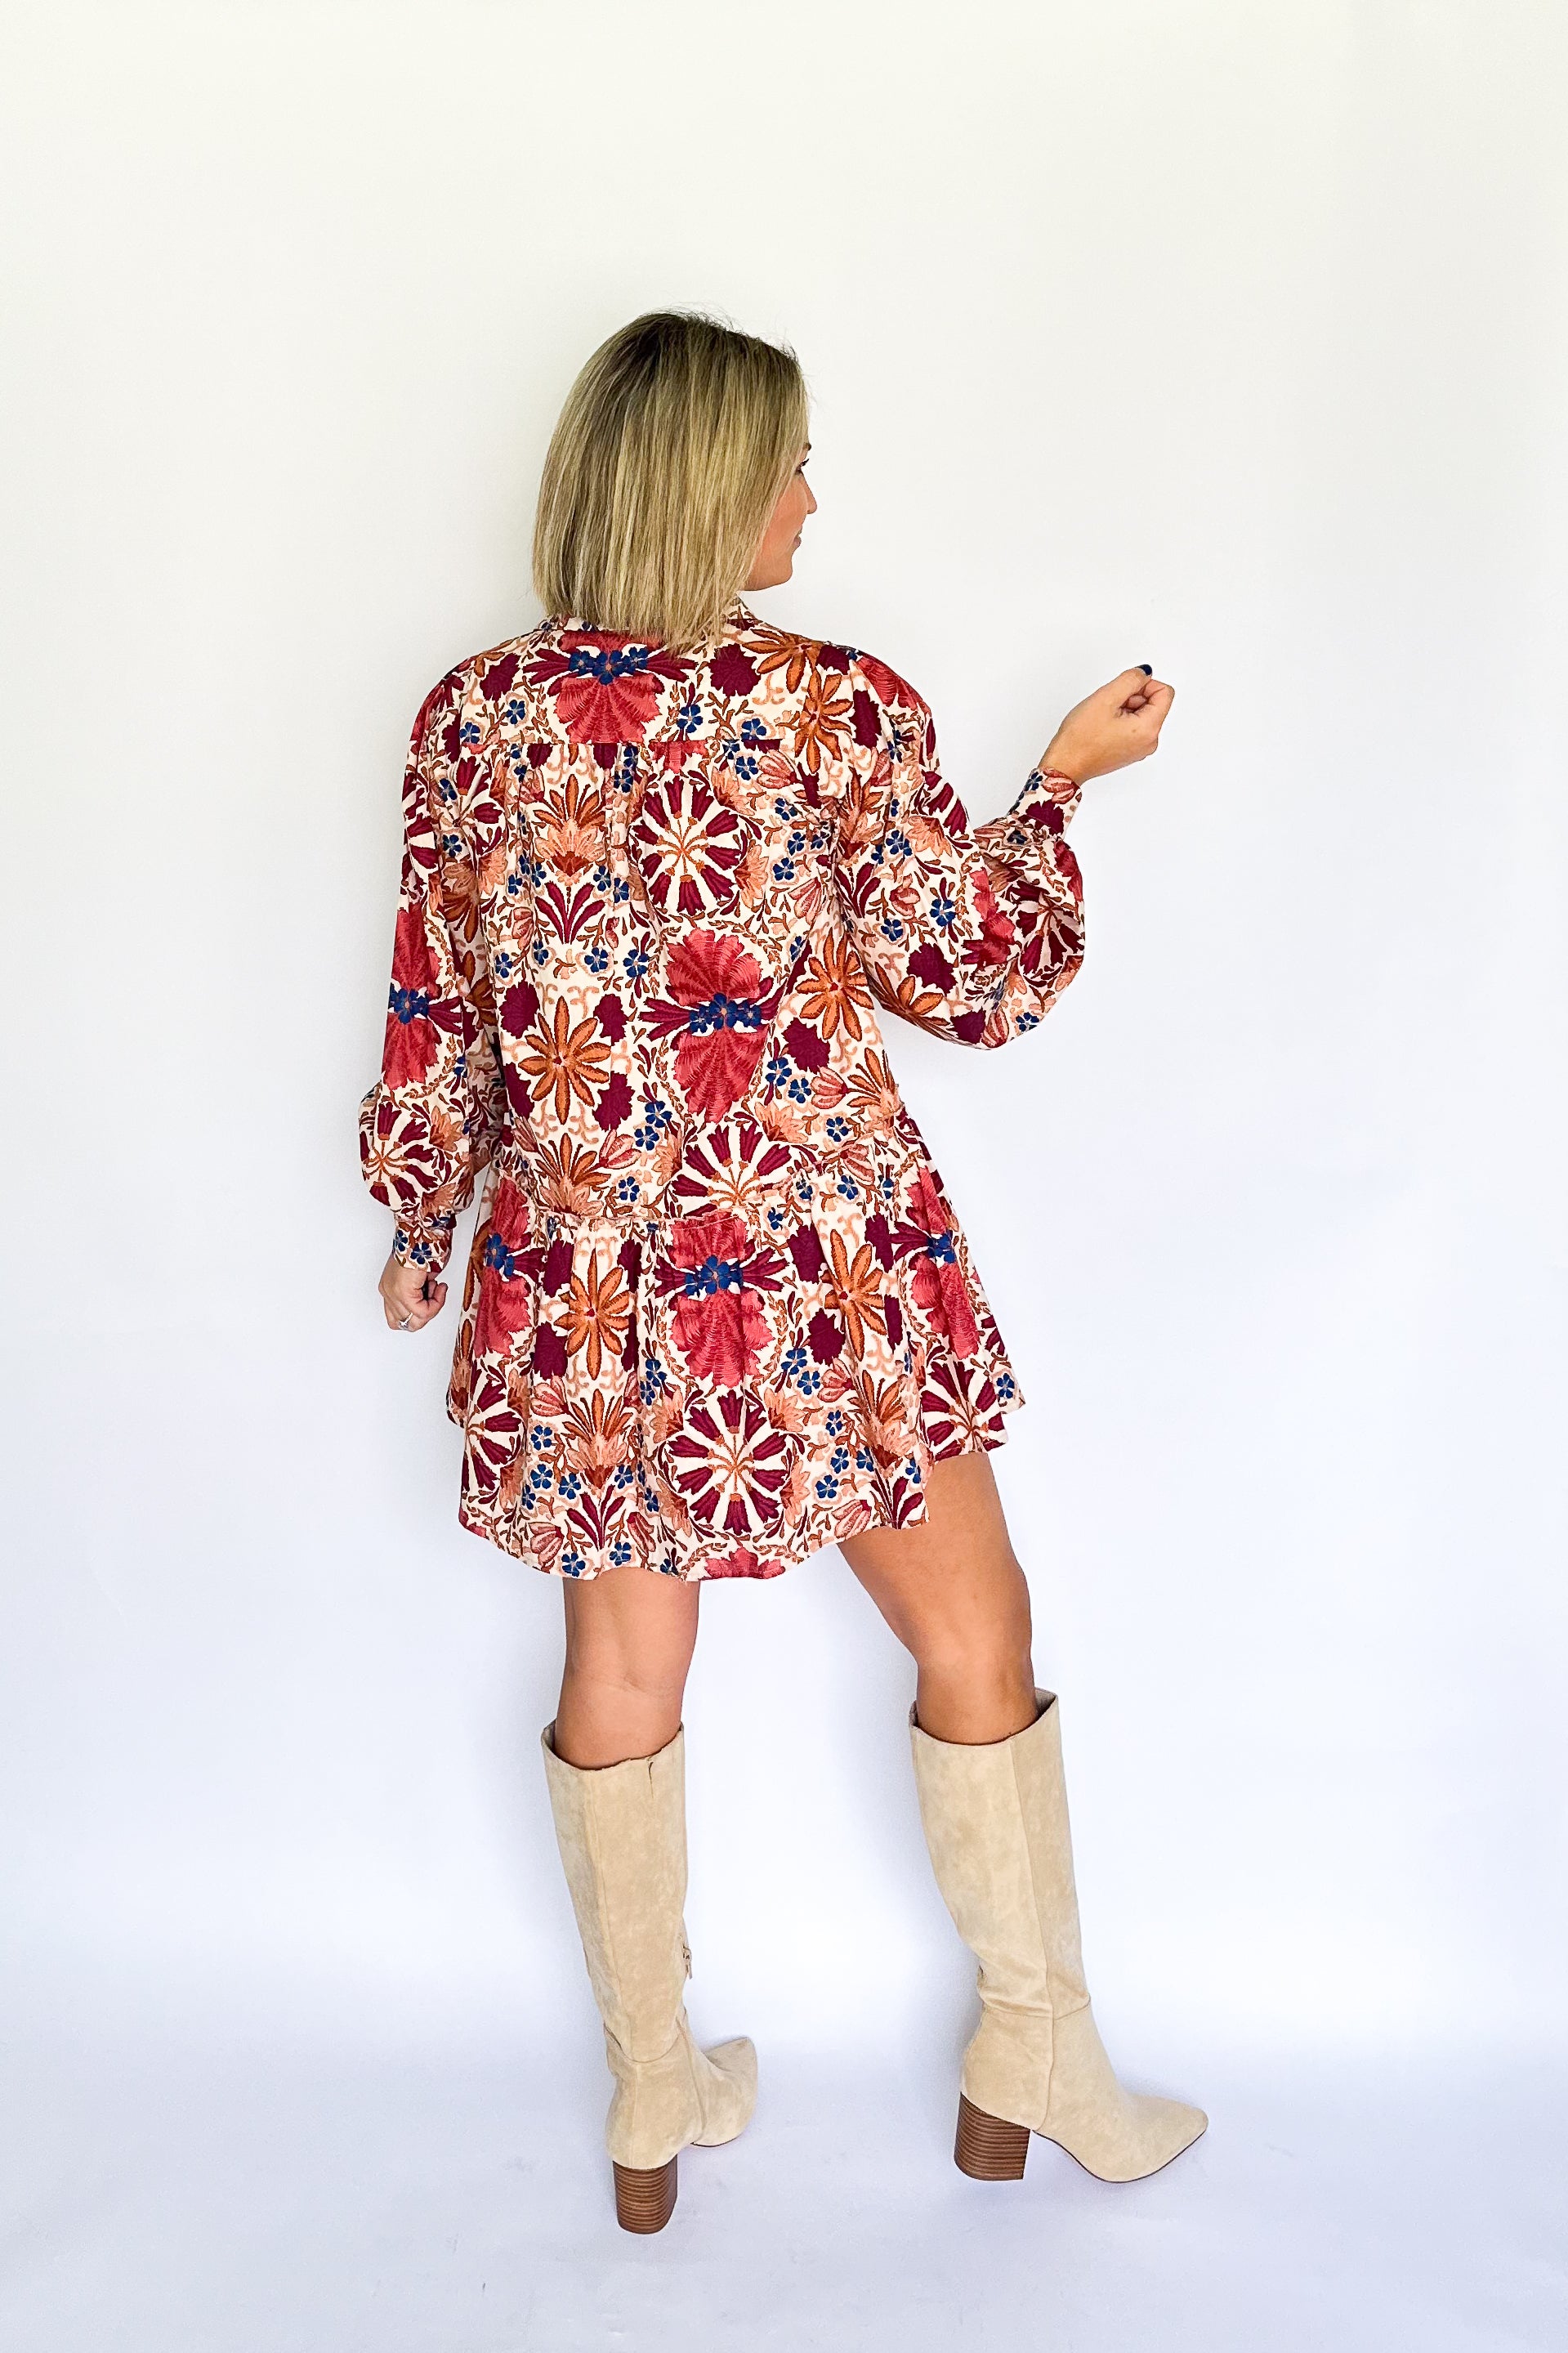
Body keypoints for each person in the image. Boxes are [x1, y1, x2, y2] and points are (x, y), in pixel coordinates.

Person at [360, 310, 1204, 2233]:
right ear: (717, 487)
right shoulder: (836, 710)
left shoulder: (470, 718)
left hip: (588, 1288)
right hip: (818, 1270)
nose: (812, 499)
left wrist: (422, 1219)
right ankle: (1038, 2054)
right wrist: (1061, 785)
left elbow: (438, 998)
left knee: (618, 1666)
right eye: (791, 465)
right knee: (977, 1636)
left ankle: (654, 2096)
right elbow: (964, 975)